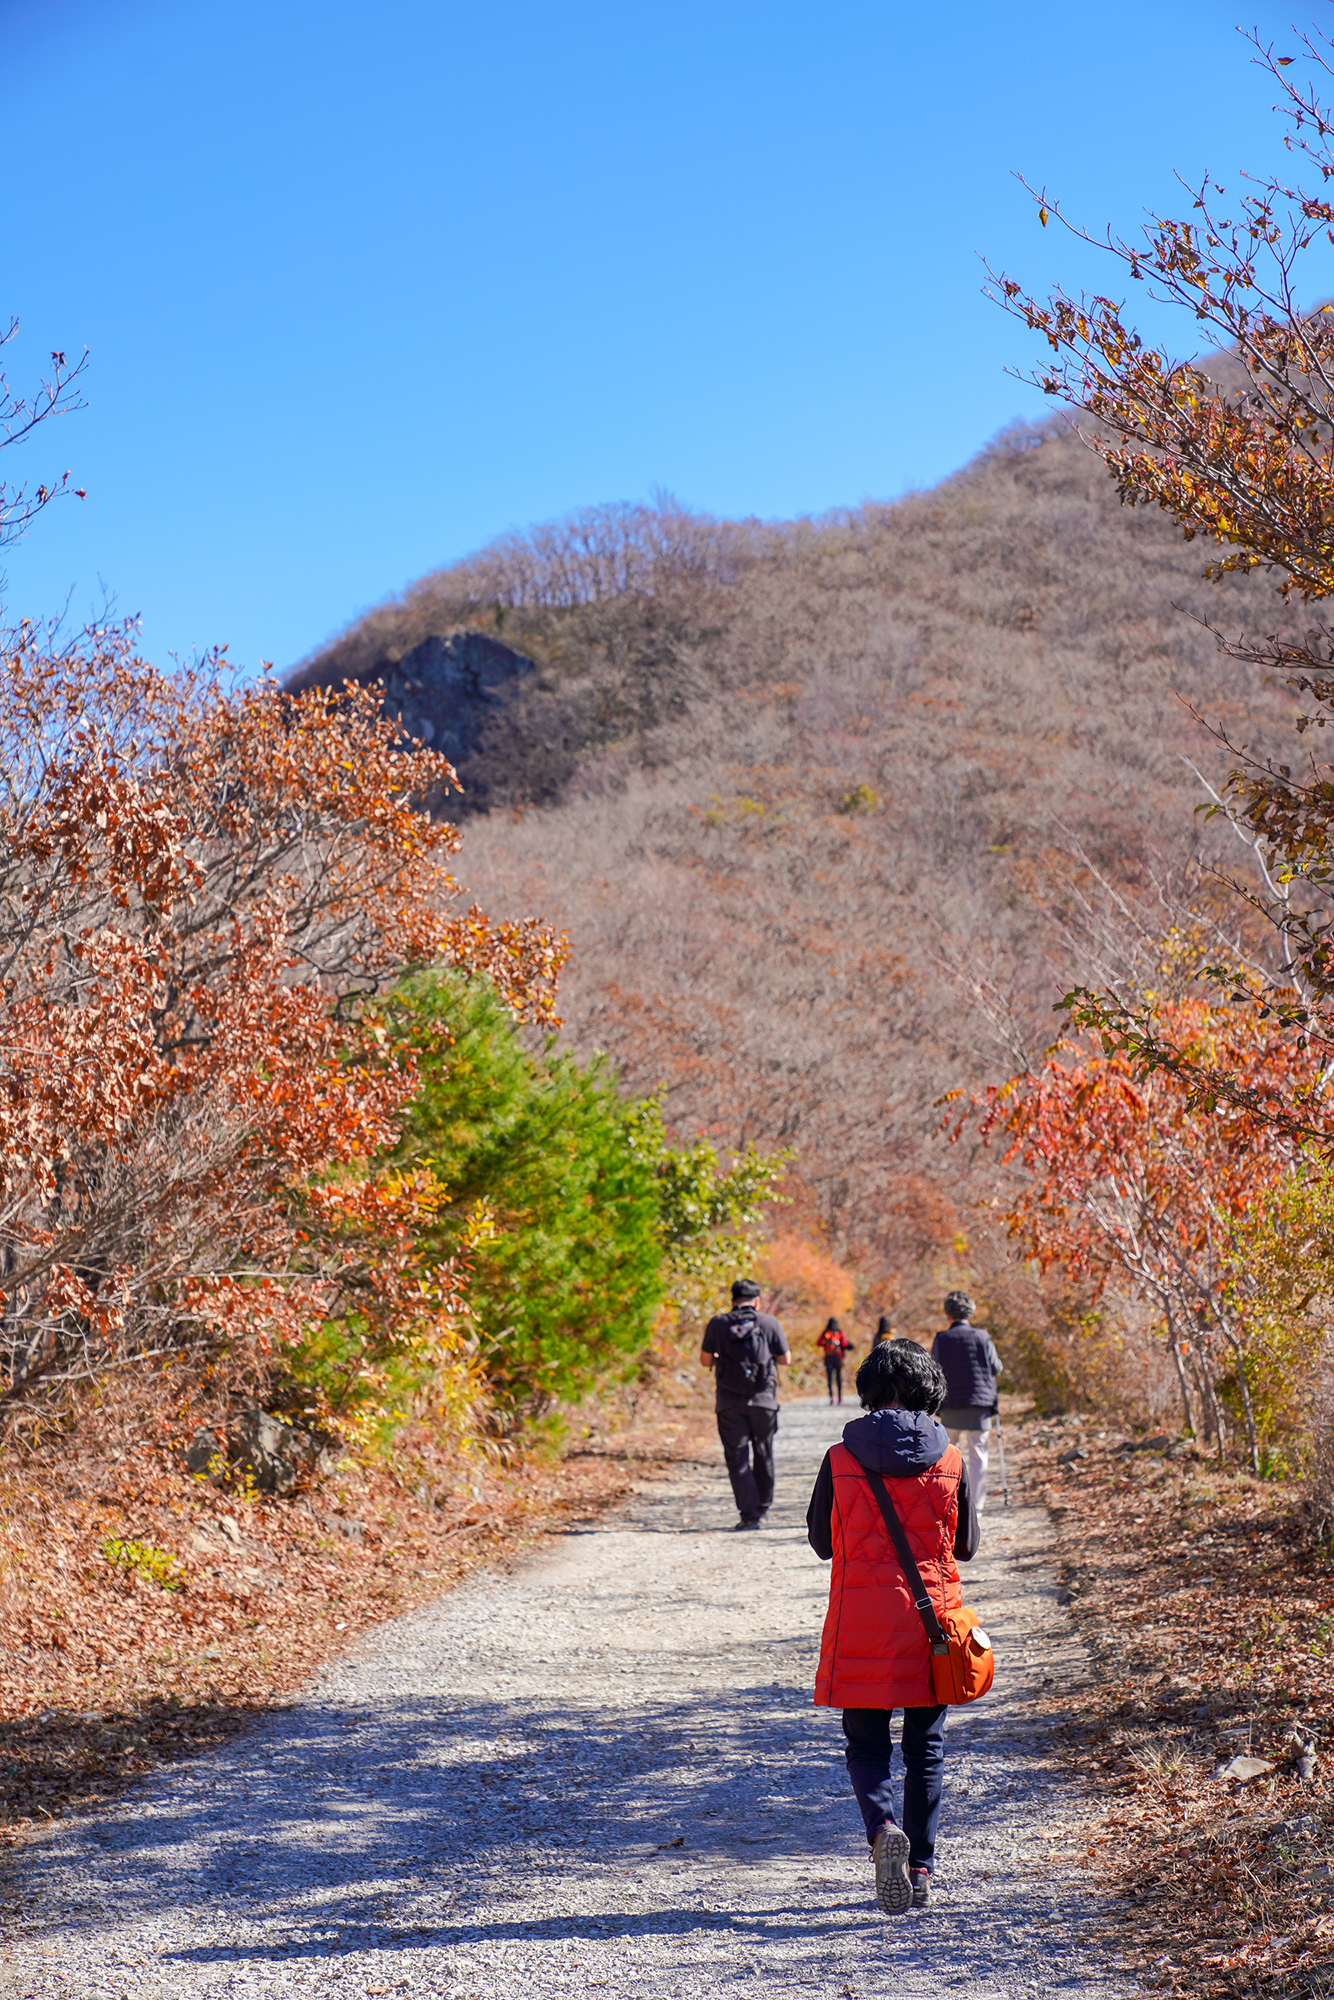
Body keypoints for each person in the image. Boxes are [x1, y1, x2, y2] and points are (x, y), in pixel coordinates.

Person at [806, 1338, 979, 1916]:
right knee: (925, 1749)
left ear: (871, 1388)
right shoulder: (950, 1461)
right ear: (926, 1390)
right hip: (932, 1627)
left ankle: (882, 1833)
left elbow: (821, 1543)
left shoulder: (839, 1458)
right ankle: (922, 1868)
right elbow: (967, 1547)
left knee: (866, 1745)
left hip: (861, 1623)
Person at [700, 1280, 791, 1529]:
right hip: (764, 1401)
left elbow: (704, 1359)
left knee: (737, 1457)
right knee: (764, 1452)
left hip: (729, 1402)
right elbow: (786, 1359)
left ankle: (748, 1515)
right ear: (757, 1301)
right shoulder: (769, 1323)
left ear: (732, 1301)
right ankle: (763, 1505)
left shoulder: (718, 1324)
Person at [930, 1292, 1004, 1515]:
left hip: (951, 1404)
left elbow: (933, 1370)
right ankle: (976, 1506)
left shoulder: (942, 1339)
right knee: (978, 1455)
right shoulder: (982, 1336)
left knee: (950, 1454)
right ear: (970, 1312)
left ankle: (950, 1501)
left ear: (947, 1313)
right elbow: (996, 1367)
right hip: (979, 1404)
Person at [816, 1317, 853, 1404]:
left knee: (829, 1377)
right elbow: (844, 1343)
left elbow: (818, 1343)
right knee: (838, 1377)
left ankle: (831, 1397)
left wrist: (826, 1343)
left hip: (828, 1357)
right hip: (838, 1358)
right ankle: (840, 1397)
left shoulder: (825, 1333)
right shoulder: (839, 1333)